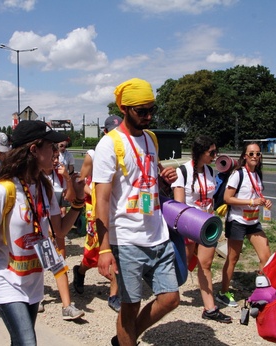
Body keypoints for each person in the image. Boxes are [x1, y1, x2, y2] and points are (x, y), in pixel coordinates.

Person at [0, 120, 87, 344]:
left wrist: (79, 202)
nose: (56, 153)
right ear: (33, 149)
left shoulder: (44, 187)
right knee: (28, 342)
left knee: (20, 341)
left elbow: (60, 230)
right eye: (51, 147)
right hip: (5, 280)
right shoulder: (3, 190)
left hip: (33, 281)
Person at [93, 78, 179, 346]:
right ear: (125, 109)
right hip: (126, 238)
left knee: (170, 298)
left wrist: (164, 178)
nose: (148, 116)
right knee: (129, 306)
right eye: (141, 111)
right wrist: (104, 249)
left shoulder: (151, 138)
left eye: (151, 109)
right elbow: (102, 200)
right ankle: (125, 339)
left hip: (157, 233)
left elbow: (148, 177)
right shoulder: (109, 144)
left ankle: (123, 339)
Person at [171, 135, 232, 323]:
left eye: (216, 152)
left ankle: (210, 308)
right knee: (182, 265)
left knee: (205, 264)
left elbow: (211, 199)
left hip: (207, 226)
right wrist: (189, 225)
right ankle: (164, 291)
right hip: (189, 225)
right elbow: (179, 204)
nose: (215, 156)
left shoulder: (210, 171)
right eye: (211, 152)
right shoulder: (183, 172)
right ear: (200, 152)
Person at [73, 116, 122, 313]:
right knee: (94, 250)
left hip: (116, 207)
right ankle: (80, 270)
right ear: (105, 132)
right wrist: (95, 192)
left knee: (115, 248)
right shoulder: (92, 155)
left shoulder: (124, 152)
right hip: (95, 207)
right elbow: (80, 181)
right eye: (112, 132)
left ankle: (114, 295)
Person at [216, 141, 272, 308]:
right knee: (233, 259)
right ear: (245, 157)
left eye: (258, 154)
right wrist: (250, 201)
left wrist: (264, 201)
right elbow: (228, 198)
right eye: (251, 154)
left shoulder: (257, 174)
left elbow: (257, 194)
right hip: (238, 222)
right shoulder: (238, 174)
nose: (255, 156)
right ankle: (223, 292)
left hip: (253, 221)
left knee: (266, 257)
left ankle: (260, 291)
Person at [42, 144, 84, 320]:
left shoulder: (57, 176)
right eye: (52, 157)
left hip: (54, 223)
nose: (55, 160)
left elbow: (68, 199)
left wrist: (67, 179)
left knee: (58, 262)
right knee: (36, 265)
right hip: (37, 228)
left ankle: (67, 305)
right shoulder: (32, 178)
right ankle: (36, 296)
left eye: (56, 157)